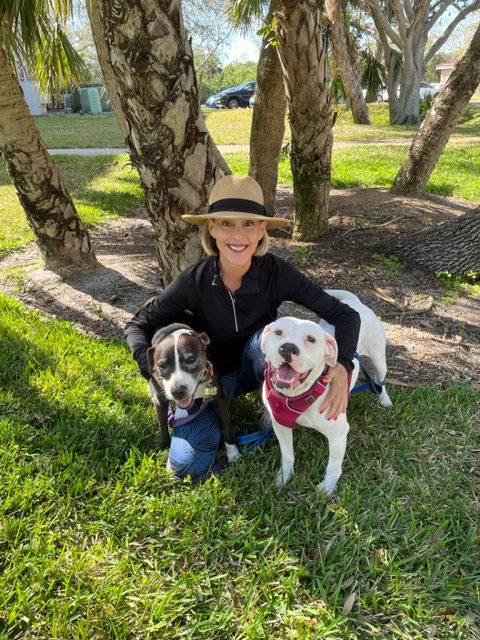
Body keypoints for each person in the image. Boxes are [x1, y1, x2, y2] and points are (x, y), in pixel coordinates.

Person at [124, 175, 360, 480]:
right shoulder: (194, 280)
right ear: (211, 228)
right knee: (186, 467)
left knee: (265, 340)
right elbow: (137, 325)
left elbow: (345, 315)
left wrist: (342, 365)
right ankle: (200, 415)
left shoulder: (276, 273)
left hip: (256, 368)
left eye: (248, 223)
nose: (238, 235)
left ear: (262, 229)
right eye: (227, 223)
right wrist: (151, 366)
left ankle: (273, 408)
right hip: (202, 381)